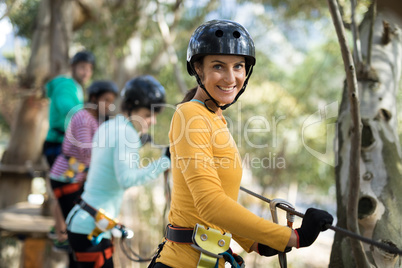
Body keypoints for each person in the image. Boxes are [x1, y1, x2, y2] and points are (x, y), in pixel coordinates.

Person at [149, 19, 334, 268]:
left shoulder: (215, 119)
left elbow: (221, 203)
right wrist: (291, 237)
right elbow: (210, 205)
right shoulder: (189, 115)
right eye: (218, 66)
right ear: (198, 69)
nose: (231, 77)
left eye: (239, 66)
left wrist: (257, 242)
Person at [66, 75, 171, 268]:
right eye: (148, 115)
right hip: (91, 228)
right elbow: (126, 179)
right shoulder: (127, 133)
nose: (153, 121)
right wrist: (164, 162)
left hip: (84, 222)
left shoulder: (109, 125)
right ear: (131, 109)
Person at [48, 80, 118, 252]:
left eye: (112, 101)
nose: (110, 105)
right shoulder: (83, 117)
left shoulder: (96, 119)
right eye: (106, 100)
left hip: (77, 177)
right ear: (94, 98)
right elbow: (87, 151)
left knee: (79, 227)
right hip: (65, 178)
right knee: (76, 229)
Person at [43, 50, 95, 167]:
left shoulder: (76, 87)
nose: (86, 72)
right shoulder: (66, 86)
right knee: (68, 183)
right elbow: (69, 111)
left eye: (89, 69)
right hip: (58, 146)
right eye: (82, 67)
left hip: (65, 146)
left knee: (78, 180)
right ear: (73, 67)